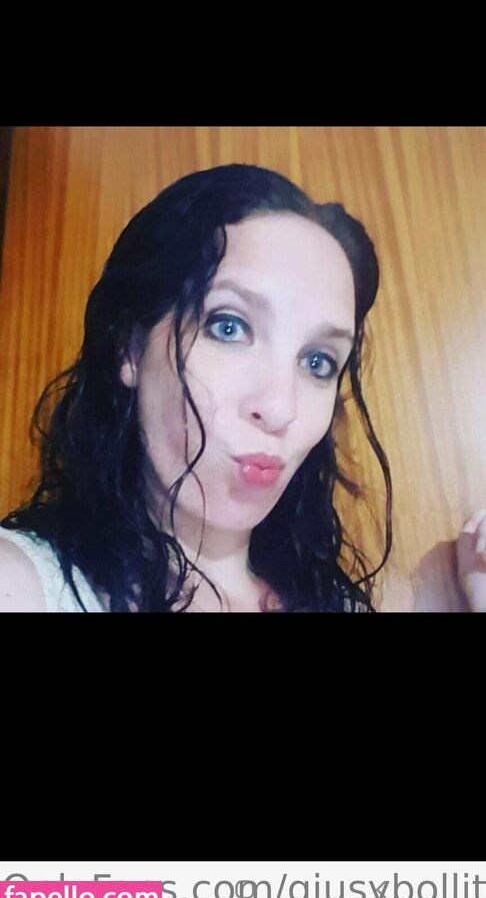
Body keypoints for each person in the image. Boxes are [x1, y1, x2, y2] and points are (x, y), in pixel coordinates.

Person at [0, 164, 484, 612]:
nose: (280, 408)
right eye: (228, 327)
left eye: (317, 362)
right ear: (130, 347)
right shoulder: (23, 586)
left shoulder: (351, 602)